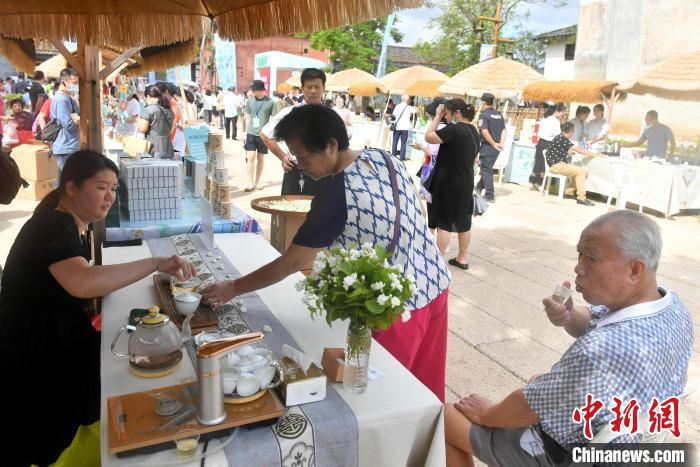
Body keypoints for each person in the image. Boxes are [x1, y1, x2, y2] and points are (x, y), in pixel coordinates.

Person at [201, 104, 451, 401]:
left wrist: (234, 287)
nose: (299, 164)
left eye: (304, 156)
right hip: (435, 283)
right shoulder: (384, 157)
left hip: (396, 309)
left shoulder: (336, 194)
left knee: (387, 396)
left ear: (332, 145)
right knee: (425, 391)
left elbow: (291, 262)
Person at [445, 210, 693, 467]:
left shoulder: (600, 350)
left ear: (634, 269)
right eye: (580, 254)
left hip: (570, 453)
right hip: (633, 439)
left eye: (591, 257)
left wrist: (487, 413)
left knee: (448, 418)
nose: (578, 267)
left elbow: (527, 407)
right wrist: (569, 315)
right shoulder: (672, 305)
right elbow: (595, 319)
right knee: (539, 381)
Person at [0, 150, 196, 466]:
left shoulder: (61, 220)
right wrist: (156, 263)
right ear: (72, 188)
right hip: (36, 366)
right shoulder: (55, 225)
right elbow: (84, 282)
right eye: (101, 187)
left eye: (114, 189)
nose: (109, 197)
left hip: (42, 343)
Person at [425, 98, 479, 270]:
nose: (445, 118)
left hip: (449, 181)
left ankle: (437, 260)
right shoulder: (473, 131)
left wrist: (436, 116)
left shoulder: (454, 129)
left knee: (445, 222)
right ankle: (463, 257)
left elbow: (429, 137)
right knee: (464, 221)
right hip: (466, 180)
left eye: (447, 114)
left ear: (457, 113)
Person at [259, 69, 328, 196]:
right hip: (297, 173)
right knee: (291, 213)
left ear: (323, 88)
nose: (313, 91)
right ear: (302, 89)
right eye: (309, 87)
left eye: (317, 87)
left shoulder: (330, 115)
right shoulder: (290, 112)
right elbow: (265, 134)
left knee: (322, 214)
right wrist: (283, 157)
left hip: (324, 175)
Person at [545, 122, 602, 206]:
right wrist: (593, 154)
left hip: (559, 164)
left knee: (584, 171)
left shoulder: (560, 137)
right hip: (556, 166)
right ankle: (581, 198)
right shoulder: (561, 138)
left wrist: (568, 151)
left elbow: (568, 148)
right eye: (573, 130)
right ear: (571, 131)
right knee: (581, 171)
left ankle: (569, 192)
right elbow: (577, 149)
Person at [244, 80, 277, 191]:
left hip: (263, 134)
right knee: (250, 157)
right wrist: (245, 134)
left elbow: (274, 118)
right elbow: (247, 117)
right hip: (251, 133)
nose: (252, 91)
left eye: (253, 89)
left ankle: (257, 182)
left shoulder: (270, 102)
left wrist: (271, 133)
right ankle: (250, 183)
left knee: (260, 158)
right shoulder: (250, 101)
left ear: (260, 90)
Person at [50, 67, 81, 180]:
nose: (77, 85)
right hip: (65, 146)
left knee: (64, 181)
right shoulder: (61, 100)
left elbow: (79, 115)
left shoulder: (70, 98)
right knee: (71, 180)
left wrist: (78, 120)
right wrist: (78, 121)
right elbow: (69, 125)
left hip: (70, 145)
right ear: (63, 82)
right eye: (74, 83)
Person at [475, 92, 506, 202]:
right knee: (486, 168)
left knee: (486, 170)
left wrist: (493, 143)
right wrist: (500, 144)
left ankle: (489, 195)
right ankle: (479, 186)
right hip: (496, 148)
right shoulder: (499, 115)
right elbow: (503, 130)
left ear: (483, 102)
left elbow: (484, 132)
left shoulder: (484, 115)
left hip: (488, 146)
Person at [530, 103, 566, 189]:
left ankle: (532, 182)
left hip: (540, 143)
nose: (563, 115)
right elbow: (557, 136)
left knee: (538, 163)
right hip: (549, 144)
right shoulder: (556, 121)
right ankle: (541, 184)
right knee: (544, 165)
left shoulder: (544, 118)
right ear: (557, 111)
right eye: (563, 113)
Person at [138, 85, 175, 158]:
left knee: (155, 169)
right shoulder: (169, 109)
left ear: (148, 96)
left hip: (153, 147)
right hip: (168, 147)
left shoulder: (149, 110)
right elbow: (172, 129)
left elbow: (142, 129)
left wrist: (138, 120)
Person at [391, 94, 416, 160]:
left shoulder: (397, 106)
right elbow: (416, 111)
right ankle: (402, 158)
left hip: (397, 127)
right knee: (403, 143)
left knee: (394, 142)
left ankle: (393, 156)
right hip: (405, 128)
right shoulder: (409, 107)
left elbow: (393, 116)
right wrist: (416, 107)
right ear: (407, 100)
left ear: (402, 99)